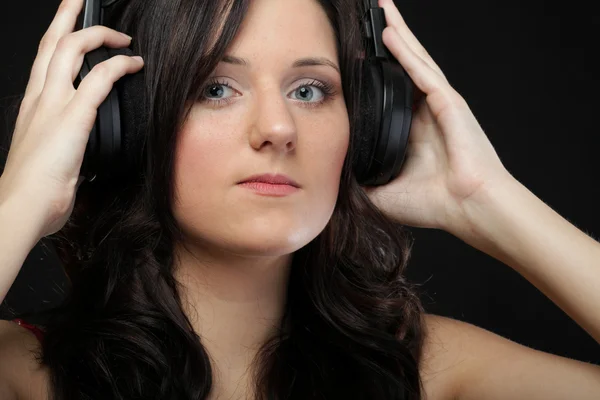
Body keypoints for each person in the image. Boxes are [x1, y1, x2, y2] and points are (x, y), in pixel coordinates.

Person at [0, 0, 599, 398]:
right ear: (123, 124)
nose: (279, 127)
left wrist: (486, 199)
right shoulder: (23, 373)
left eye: (310, 89)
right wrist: (22, 201)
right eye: (216, 87)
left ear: (368, 129)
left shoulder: (429, 373)